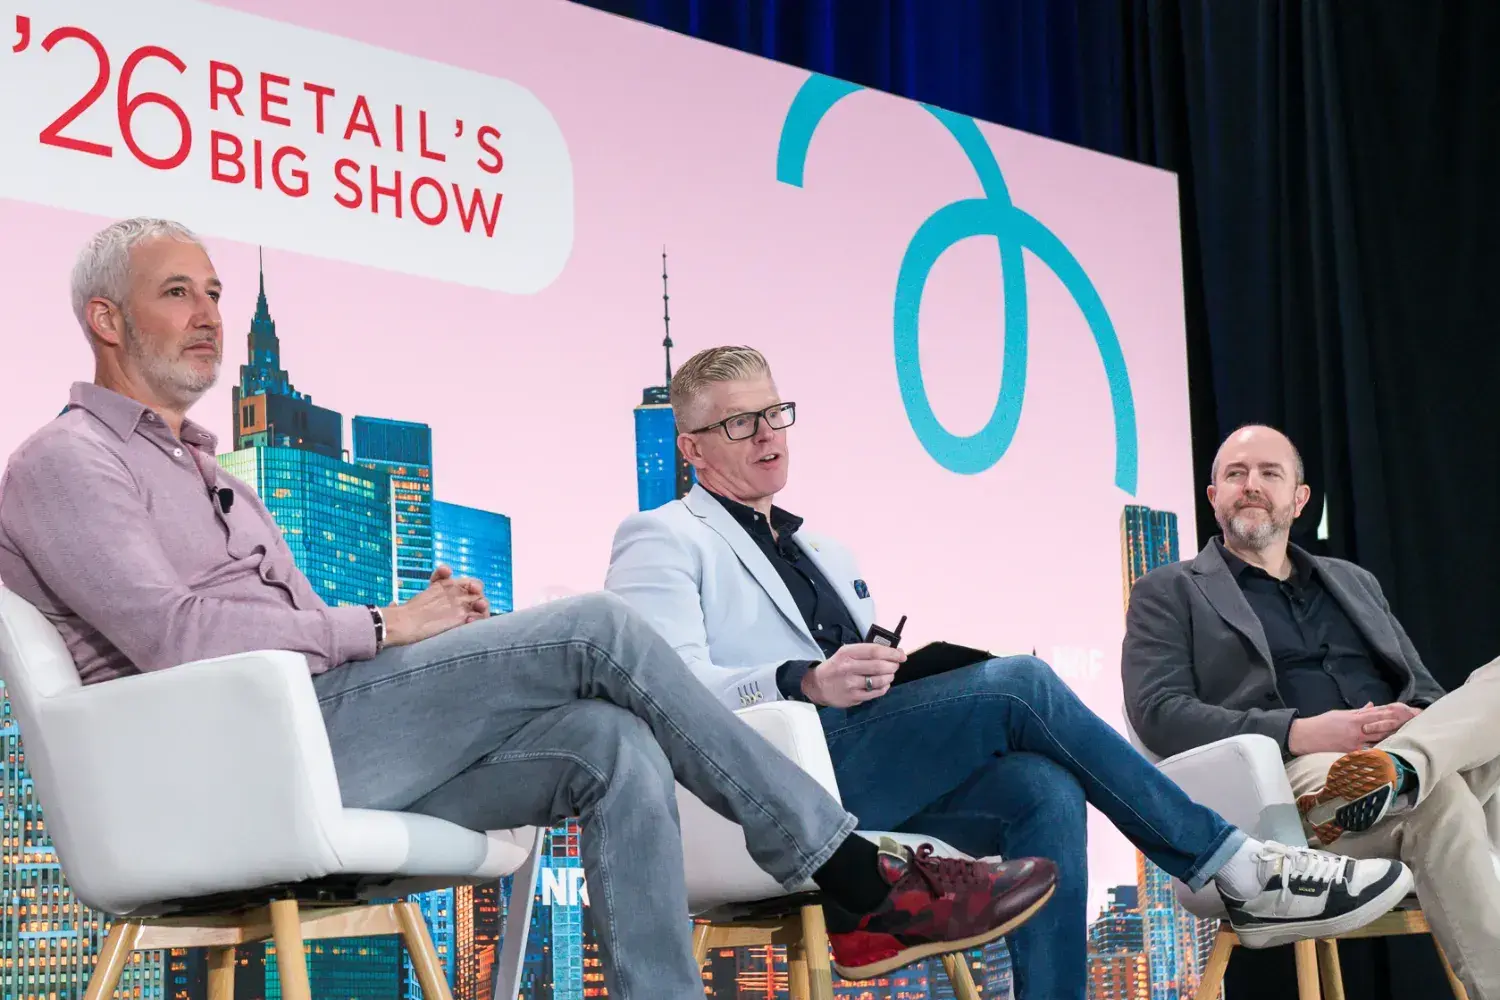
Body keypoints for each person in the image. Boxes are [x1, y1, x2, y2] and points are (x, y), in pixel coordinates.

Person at [0, 219, 1064, 998]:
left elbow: (285, 628)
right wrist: (384, 628)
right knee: (596, 626)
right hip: (227, 766)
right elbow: (175, 637)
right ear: (103, 317)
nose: (211, 317)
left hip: (312, 732)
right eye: (179, 293)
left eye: (215, 292)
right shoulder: (64, 461)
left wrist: (399, 635)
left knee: (607, 741)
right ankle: (850, 874)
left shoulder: (215, 472)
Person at [603, 346, 1414, 1000]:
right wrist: (798, 679)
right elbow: (661, 689)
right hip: (761, 786)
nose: (768, 434)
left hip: (854, 766)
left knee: (1041, 789)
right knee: (1020, 683)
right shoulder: (661, 536)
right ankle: (1237, 865)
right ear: (692, 447)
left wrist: (888, 673)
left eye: (775, 412)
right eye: (740, 423)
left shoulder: (825, 549)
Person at [1122, 423, 1500, 999]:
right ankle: (1403, 775)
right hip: (1300, 784)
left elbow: (1425, 690)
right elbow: (1158, 711)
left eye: (1269, 473)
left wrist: (1412, 720)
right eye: (1235, 474)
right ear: (1213, 497)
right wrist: (1298, 731)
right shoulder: (1168, 591)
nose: (1251, 485)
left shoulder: (1354, 582)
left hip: (1400, 758)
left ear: (1299, 500)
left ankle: (1400, 768)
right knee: (1441, 801)